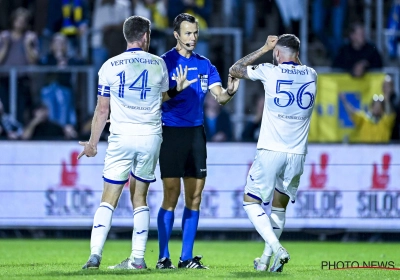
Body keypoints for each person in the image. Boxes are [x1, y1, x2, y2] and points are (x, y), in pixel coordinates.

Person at [79, 15, 194, 270]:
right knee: (140, 197)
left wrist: (92, 144)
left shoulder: (109, 65)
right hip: (150, 137)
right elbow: (160, 96)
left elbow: (102, 110)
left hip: (121, 136)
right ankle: (138, 259)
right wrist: (178, 88)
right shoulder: (157, 64)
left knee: (108, 198)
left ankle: (94, 256)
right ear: (145, 37)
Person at [156, 13, 239, 270]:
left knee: (195, 197)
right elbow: (156, 99)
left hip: (196, 135)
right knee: (171, 195)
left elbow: (220, 98)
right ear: (176, 35)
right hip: (171, 133)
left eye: (195, 33)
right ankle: (163, 257)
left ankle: (186, 258)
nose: (192, 38)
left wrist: (230, 92)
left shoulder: (205, 65)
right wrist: (175, 90)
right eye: (188, 33)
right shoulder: (164, 63)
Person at [229, 34, 318, 272]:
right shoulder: (312, 75)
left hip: (271, 150)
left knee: (250, 202)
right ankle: (266, 262)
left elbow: (236, 69)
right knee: (279, 207)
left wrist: (263, 48)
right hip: (297, 154)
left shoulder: (270, 71)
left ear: (277, 54)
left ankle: (277, 247)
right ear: (297, 53)